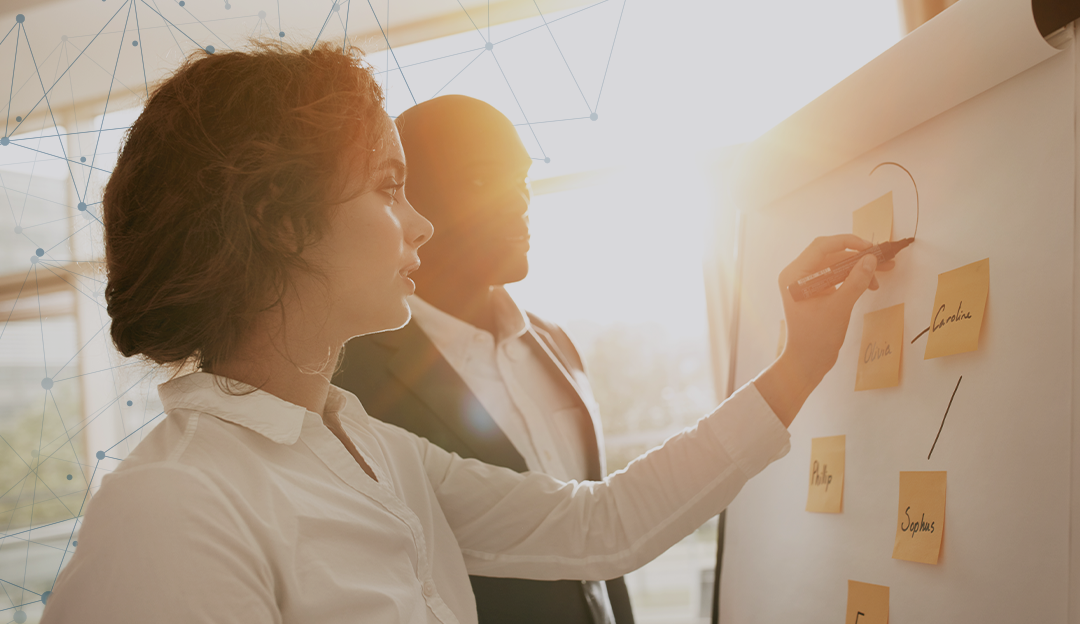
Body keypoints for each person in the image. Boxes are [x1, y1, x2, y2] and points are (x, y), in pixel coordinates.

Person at [41, 41, 888, 624]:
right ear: (281, 223)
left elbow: (603, 526)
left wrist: (800, 358)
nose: (421, 225)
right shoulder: (174, 506)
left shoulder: (378, 454)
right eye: (387, 187)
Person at [331, 95, 634, 624]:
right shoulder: (349, 376)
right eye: (479, 180)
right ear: (407, 200)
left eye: (520, 178)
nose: (517, 200)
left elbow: (598, 536)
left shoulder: (556, 342)